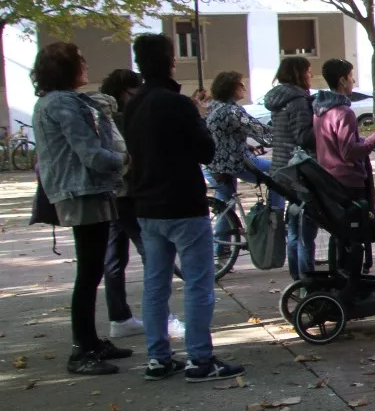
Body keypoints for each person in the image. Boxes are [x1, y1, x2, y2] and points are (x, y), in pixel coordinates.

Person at [124, 33, 245, 381]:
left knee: (156, 282)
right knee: (197, 283)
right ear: (170, 61)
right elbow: (206, 150)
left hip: (147, 203)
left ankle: (158, 357)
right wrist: (199, 116)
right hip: (182, 202)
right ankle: (199, 358)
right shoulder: (177, 104)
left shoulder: (134, 104)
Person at [32, 43, 135, 375]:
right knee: (89, 273)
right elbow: (90, 153)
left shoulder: (54, 101)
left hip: (82, 190)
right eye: (80, 61)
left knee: (92, 271)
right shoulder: (63, 103)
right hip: (82, 192)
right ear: (67, 69)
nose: (86, 65)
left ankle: (90, 342)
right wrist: (126, 160)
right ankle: (82, 350)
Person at [99, 68, 164, 341]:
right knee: (152, 253)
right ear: (126, 92)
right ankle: (160, 315)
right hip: (127, 194)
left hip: (112, 195)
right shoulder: (123, 118)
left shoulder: (103, 117)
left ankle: (120, 317)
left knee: (114, 258)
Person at [264, 56, 317, 279]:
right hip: (298, 170)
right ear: (299, 73)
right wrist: (322, 126)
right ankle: (307, 278)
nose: (311, 75)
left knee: (295, 226)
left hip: (281, 168)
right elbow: (303, 136)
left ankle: (297, 276)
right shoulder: (298, 100)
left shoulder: (278, 99)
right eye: (308, 71)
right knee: (306, 230)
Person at [312, 59, 375, 209]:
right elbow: (349, 152)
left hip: (328, 179)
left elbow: (335, 143)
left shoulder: (319, 110)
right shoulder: (344, 113)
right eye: (351, 76)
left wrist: (363, 139)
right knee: (357, 222)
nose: (353, 81)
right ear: (342, 80)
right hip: (348, 182)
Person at [206, 71, 279, 210]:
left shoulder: (215, 107)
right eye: (241, 85)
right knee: (278, 173)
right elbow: (259, 130)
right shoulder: (233, 111)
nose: (244, 88)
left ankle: (224, 223)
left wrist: (244, 144)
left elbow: (221, 135)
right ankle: (275, 215)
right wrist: (282, 136)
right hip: (236, 162)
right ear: (231, 88)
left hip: (217, 164)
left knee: (226, 208)